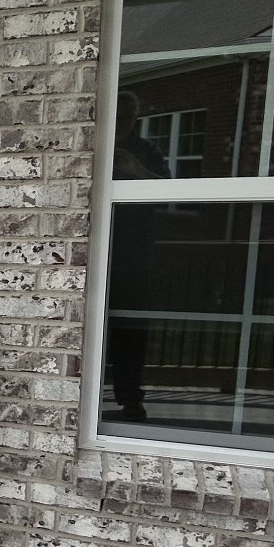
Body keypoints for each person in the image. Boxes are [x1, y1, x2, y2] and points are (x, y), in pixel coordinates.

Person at [105, 90, 167, 422]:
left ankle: (131, 399)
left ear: (135, 121)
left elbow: (169, 192)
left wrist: (135, 169)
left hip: (135, 255)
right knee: (91, 329)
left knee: (131, 331)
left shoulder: (147, 151)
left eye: (125, 118)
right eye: (115, 117)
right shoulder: (96, 143)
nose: (119, 124)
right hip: (99, 252)